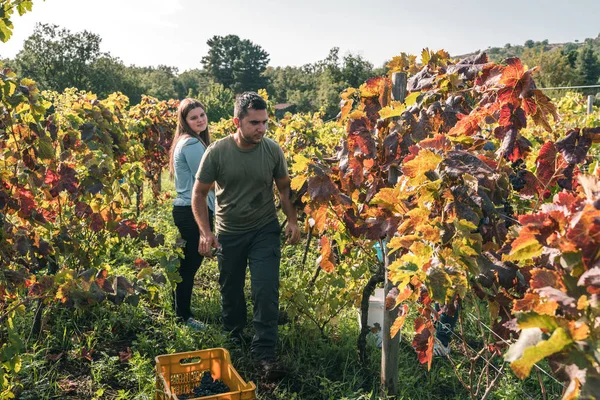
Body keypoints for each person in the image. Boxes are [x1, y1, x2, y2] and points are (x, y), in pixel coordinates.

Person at [191, 92, 300, 376]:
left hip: (264, 228)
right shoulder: (217, 152)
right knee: (231, 290)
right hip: (229, 231)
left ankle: (265, 352)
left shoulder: (272, 150)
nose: (261, 129)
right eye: (254, 123)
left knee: (265, 290)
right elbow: (199, 193)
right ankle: (233, 335)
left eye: (264, 122)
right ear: (236, 121)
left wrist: (292, 220)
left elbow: (284, 188)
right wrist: (205, 232)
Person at [168, 98, 215, 330]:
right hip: (193, 211)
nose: (200, 120)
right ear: (185, 121)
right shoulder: (193, 145)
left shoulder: (185, 141)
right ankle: (183, 317)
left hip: (185, 209)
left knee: (185, 263)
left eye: (202, 115)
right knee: (189, 266)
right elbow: (207, 181)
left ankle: (177, 309)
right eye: (193, 117)